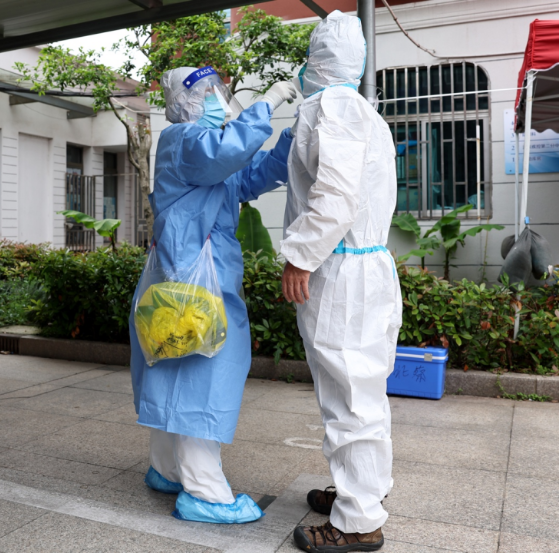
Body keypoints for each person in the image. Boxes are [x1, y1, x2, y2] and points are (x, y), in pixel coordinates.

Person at [129, 65, 296, 524]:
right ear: (183, 103)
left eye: (216, 90)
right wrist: (268, 102)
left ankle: (166, 468)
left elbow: (250, 174)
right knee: (201, 376)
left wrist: (290, 139)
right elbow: (227, 152)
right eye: (206, 92)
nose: (216, 98)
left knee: (173, 371)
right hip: (192, 287)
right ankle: (204, 491)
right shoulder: (182, 141)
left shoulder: (205, 151)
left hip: (188, 281)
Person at [280, 11, 402, 552]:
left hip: (343, 270)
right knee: (361, 392)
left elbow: (335, 196)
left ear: (318, 59)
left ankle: (358, 522)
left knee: (350, 397)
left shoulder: (330, 107)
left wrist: (300, 257)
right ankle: (361, 492)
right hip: (366, 266)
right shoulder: (364, 112)